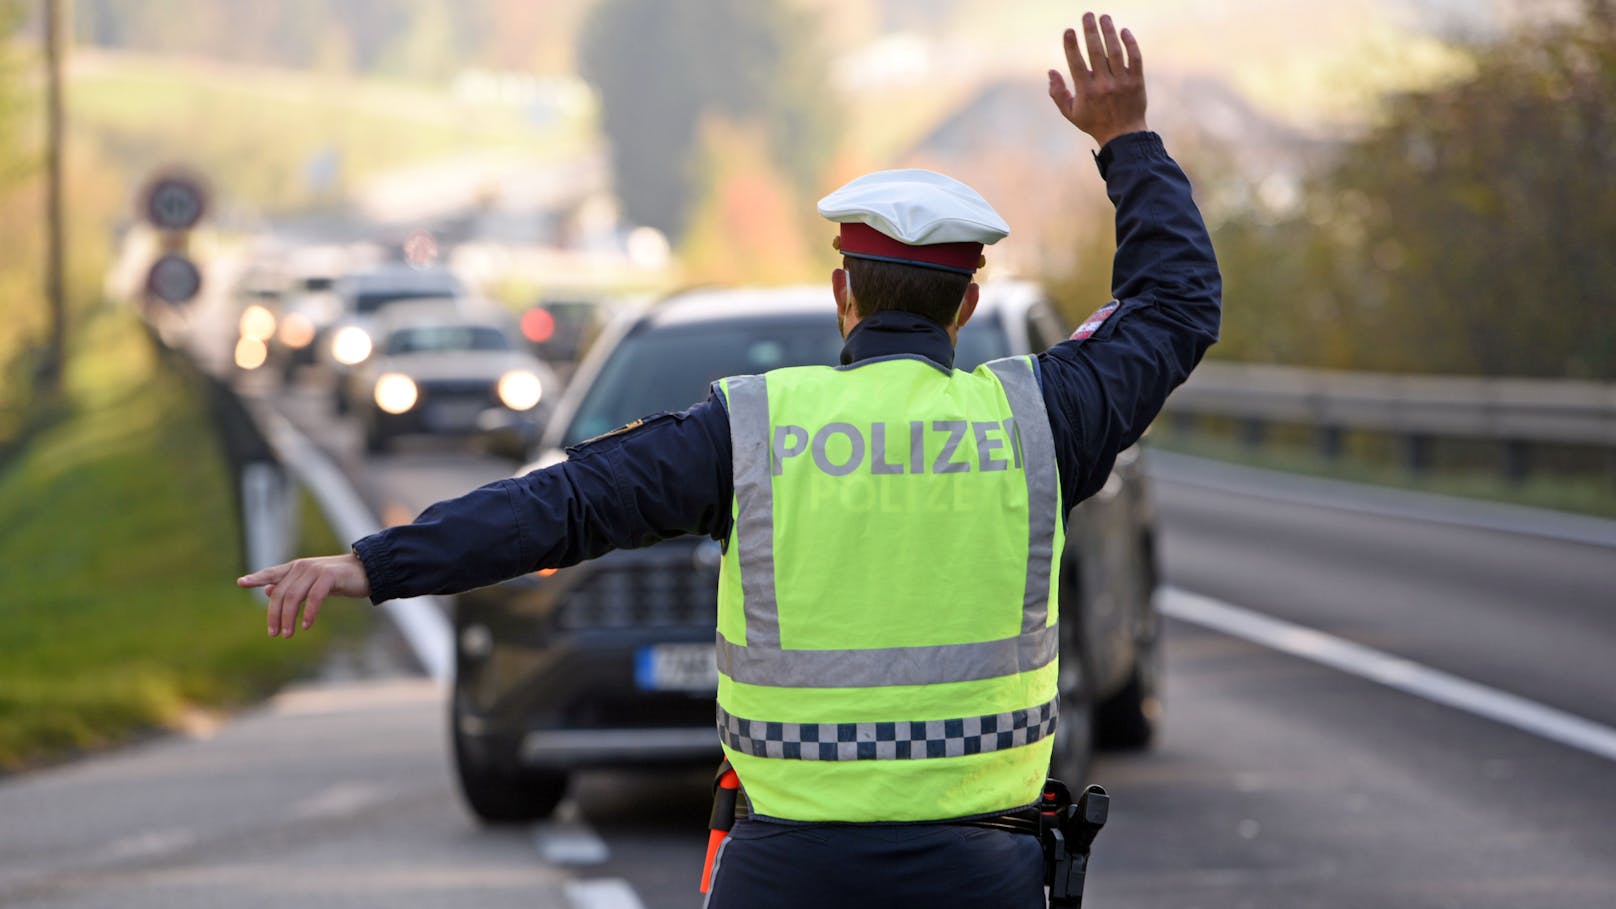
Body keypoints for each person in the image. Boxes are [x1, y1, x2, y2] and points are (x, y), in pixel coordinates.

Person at [240, 11, 1219, 907]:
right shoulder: (1035, 422)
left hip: (782, 875)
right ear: (964, 308)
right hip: (977, 876)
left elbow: (562, 504)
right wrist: (1122, 139)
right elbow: (1174, 303)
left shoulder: (751, 431)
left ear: (843, 293)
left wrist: (373, 564)